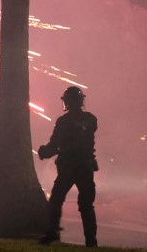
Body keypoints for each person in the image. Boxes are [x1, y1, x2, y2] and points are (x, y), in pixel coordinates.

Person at [37, 86, 98, 247]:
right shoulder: (91, 119)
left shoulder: (63, 122)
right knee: (86, 205)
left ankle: (52, 232)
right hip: (85, 167)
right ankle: (91, 241)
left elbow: (55, 144)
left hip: (69, 168)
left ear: (68, 102)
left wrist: (44, 152)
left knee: (56, 200)